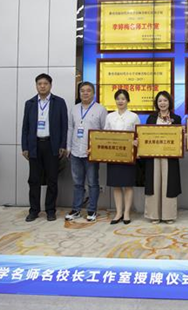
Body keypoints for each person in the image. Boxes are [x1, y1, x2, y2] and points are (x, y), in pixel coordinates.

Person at [21, 73, 68, 222]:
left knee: (52, 179)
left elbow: (64, 126)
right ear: (36, 86)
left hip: (51, 145)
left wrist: (62, 145)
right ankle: (34, 210)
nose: (42, 86)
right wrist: (25, 147)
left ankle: (50, 210)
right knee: (34, 179)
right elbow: (25, 127)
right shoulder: (30, 103)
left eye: (45, 83)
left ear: (50, 85)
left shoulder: (59, 102)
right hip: (34, 145)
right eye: (39, 84)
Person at [65, 82, 108, 222]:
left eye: (88, 90)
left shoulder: (101, 109)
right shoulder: (74, 109)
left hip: (91, 153)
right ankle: (76, 209)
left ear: (93, 93)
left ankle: (92, 210)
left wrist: (97, 149)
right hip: (75, 151)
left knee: (92, 183)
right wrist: (68, 147)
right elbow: (70, 128)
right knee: (77, 183)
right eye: (82, 91)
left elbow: (104, 132)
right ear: (79, 93)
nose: (85, 93)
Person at [143, 91, 182, 224]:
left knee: (168, 184)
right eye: (160, 101)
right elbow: (145, 135)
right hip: (153, 156)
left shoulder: (176, 118)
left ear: (169, 102)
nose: (162, 103)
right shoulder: (151, 118)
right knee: (154, 184)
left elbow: (179, 138)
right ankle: (154, 215)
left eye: (165, 100)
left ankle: (168, 215)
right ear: (156, 103)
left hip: (170, 156)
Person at [104, 89, 140, 225]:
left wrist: (136, 142)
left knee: (128, 185)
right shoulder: (110, 116)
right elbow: (105, 134)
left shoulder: (133, 116)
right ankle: (118, 212)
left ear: (128, 101)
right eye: (118, 98)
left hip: (128, 155)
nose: (120, 101)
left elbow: (139, 134)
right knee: (116, 185)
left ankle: (127, 213)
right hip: (113, 154)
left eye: (123, 98)